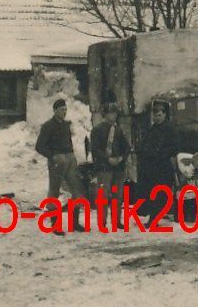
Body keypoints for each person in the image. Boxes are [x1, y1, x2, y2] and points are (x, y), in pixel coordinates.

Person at [35, 98, 87, 230]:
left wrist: (72, 156)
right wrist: (52, 156)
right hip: (57, 160)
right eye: (61, 110)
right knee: (54, 191)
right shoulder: (48, 126)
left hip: (69, 158)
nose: (64, 112)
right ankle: (55, 225)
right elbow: (39, 146)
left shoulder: (66, 125)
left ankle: (74, 223)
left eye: (65, 110)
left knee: (76, 189)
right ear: (55, 110)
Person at [136, 103, 179, 218]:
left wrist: (160, 154)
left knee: (160, 194)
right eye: (155, 116)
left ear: (164, 115)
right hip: (151, 167)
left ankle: (154, 218)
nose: (157, 118)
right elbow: (144, 144)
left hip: (163, 167)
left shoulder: (170, 129)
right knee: (151, 193)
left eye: (159, 115)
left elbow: (174, 147)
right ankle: (152, 216)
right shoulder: (152, 129)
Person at [89, 103, 129, 207]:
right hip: (104, 168)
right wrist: (108, 159)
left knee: (117, 197)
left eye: (115, 113)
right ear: (105, 114)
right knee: (103, 196)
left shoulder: (118, 130)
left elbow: (126, 148)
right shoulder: (97, 130)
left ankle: (116, 217)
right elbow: (95, 149)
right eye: (111, 113)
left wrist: (120, 158)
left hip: (118, 168)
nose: (114, 115)